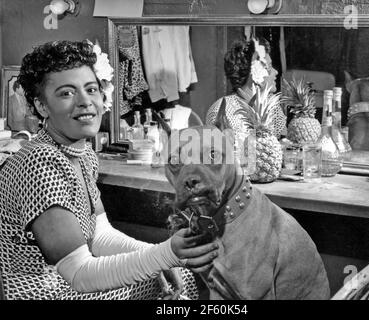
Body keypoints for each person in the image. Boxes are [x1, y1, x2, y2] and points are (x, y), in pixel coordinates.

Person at [0, 40, 218, 300]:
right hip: (46, 291)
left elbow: (99, 236)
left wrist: (159, 256)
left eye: (91, 89)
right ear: (41, 106)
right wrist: (165, 254)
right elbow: (80, 273)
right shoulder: (39, 161)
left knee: (179, 276)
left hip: (66, 283)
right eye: (66, 93)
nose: (85, 102)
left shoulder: (83, 155)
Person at [206, 37, 286, 154]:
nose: (275, 72)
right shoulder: (221, 110)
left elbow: (285, 144)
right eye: (269, 67)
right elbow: (218, 159)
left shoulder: (271, 107)